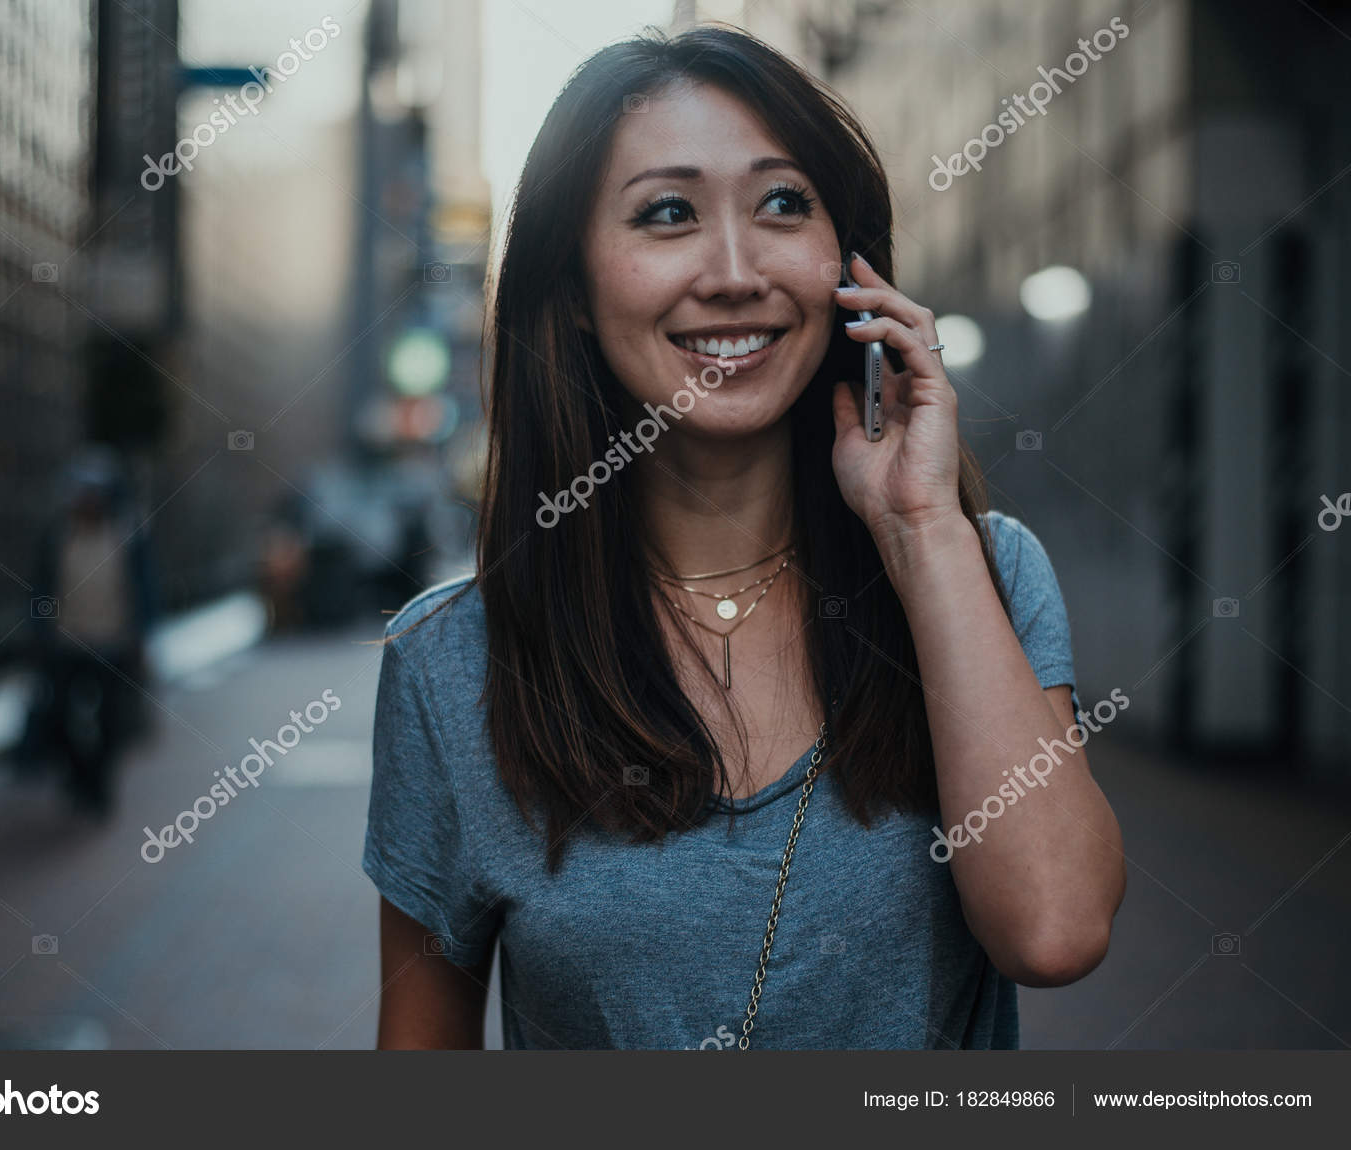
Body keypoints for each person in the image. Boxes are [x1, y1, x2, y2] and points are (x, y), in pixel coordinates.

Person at [361, 25, 1125, 1050]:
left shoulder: (980, 573)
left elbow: (1055, 928)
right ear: (575, 290)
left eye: (781, 205)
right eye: (666, 214)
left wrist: (918, 529)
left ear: (848, 268)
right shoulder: (451, 662)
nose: (732, 271)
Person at [22, 450, 158, 817]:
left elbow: (144, 589)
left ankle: (99, 784)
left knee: (112, 722)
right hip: (67, 642)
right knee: (59, 716)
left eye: (92, 493)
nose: (86, 501)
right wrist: (38, 633)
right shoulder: (58, 536)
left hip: (113, 643)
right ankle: (79, 777)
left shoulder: (127, 534)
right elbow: (41, 589)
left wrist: (143, 636)